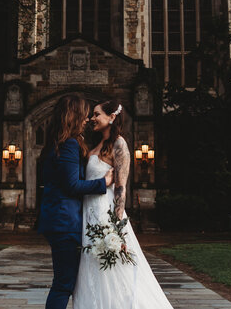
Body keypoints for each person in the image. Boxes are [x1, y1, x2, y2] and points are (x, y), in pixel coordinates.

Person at [75, 99, 174, 309]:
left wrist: (116, 227)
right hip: (89, 212)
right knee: (92, 265)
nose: (92, 118)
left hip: (105, 213)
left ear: (111, 117)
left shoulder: (119, 144)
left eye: (96, 114)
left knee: (112, 268)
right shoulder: (96, 145)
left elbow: (121, 188)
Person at [37, 95, 114, 309]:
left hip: (58, 220)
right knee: (63, 285)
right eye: (84, 115)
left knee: (63, 282)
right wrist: (103, 182)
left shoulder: (57, 144)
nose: (87, 119)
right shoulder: (69, 145)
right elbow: (72, 186)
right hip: (65, 222)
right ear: (74, 115)